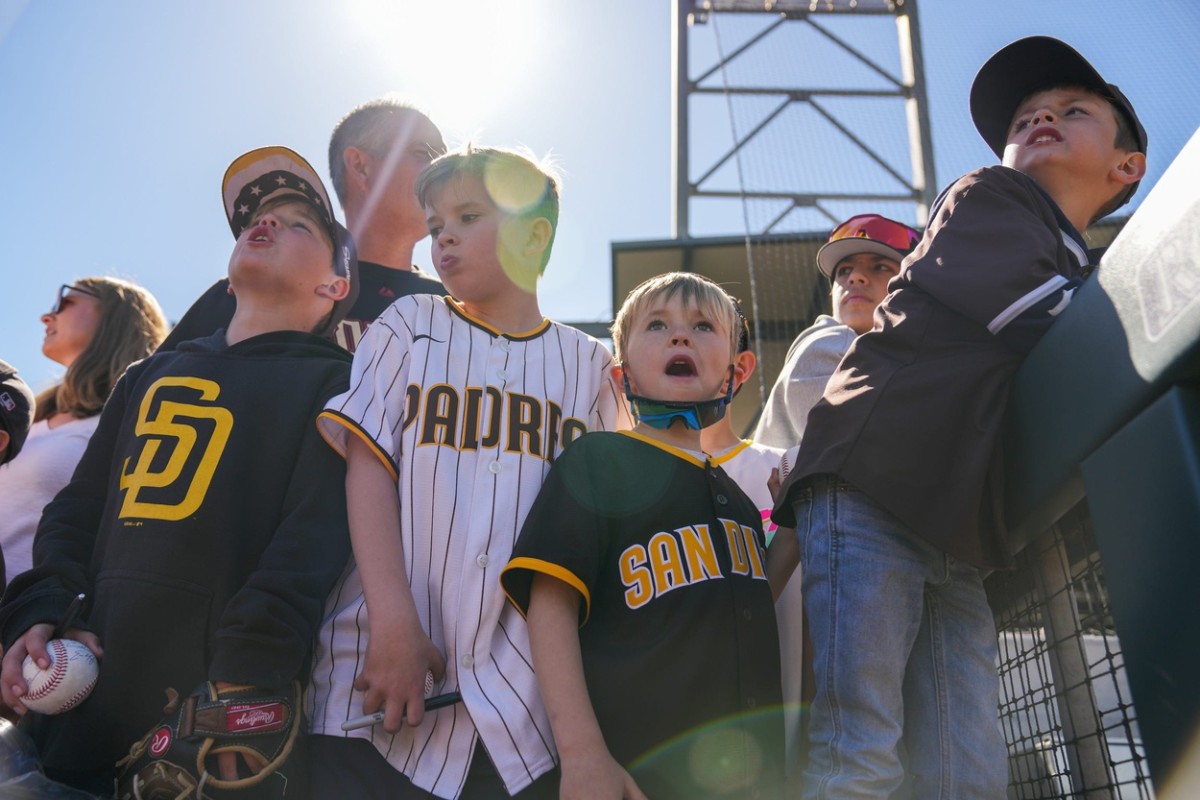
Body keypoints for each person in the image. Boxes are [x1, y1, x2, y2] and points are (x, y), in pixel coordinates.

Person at [772, 36, 1147, 798]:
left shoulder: (1079, 260)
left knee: (967, 772)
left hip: (955, 526)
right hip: (870, 484)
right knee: (861, 751)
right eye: (1026, 115)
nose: (1041, 116)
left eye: (1072, 110)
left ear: (1126, 166)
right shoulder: (991, 195)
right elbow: (1035, 320)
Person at [0, 145, 359, 796]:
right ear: (227, 280)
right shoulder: (148, 376)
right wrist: (41, 610)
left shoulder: (339, 387)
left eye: (299, 223)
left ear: (335, 286)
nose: (269, 222)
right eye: (260, 217)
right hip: (75, 704)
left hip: (206, 727)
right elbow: (74, 514)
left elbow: (304, 552)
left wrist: (246, 679)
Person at [307, 145, 628, 799]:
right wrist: (394, 621)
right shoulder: (407, 323)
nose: (443, 234)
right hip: (376, 687)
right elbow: (367, 467)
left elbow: (588, 545)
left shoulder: (589, 365)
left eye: (468, 214)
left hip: (522, 721)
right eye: (435, 224)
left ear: (535, 235)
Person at [502, 271, 784, 800]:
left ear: (733, 371)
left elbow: (747, 600)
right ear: (622, 372)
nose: (680, 336)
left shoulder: (745, 505)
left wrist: (788, 524)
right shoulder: (600, 461)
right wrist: (583, 754)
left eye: (703, 326)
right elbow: (550, 605)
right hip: (638, 772)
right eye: (658, 325)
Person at [160, 99, 446, 353]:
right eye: (424, 152)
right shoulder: (252, 289)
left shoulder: (458, 307)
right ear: (360, 167)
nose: (442, 171)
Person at [0, 279, 168, 589]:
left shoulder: (132, 424)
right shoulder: (28, 419)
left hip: (23, 619)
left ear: (118, 318)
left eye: (65, 302)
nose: (46, 316)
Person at [753, 214, 921, 450]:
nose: (855, 277)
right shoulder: (833, 342)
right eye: (843, 271)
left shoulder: (899, 353)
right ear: (831, 293)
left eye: (880, 267)